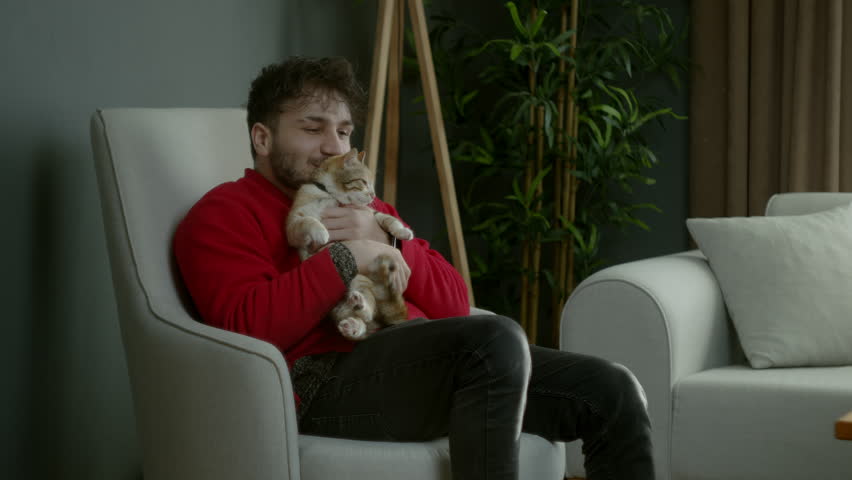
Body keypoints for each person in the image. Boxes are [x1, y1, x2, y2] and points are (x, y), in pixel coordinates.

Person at [173, 56, 654, 480]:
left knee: (612, 391)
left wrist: (384, 240)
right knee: (495, 340)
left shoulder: (362, 207)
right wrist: (350, 256)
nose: (333, 147)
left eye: (343, 131)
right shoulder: (222, 213)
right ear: (262, 137)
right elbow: (244, 327)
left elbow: (453, 301)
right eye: (312, 127)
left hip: (417, 361)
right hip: (322, 383)